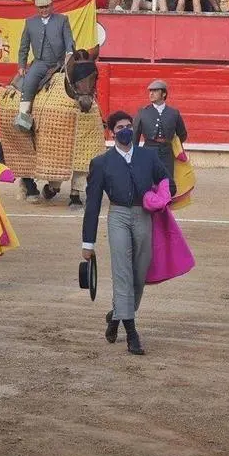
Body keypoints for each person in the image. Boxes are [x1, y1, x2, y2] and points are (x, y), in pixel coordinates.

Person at [82, 111, 169, 356]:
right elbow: (93, 204)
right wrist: (88, 242)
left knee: (139, 275)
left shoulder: (147, 157)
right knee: (122, 273)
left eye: (129, 125)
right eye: (120, 127)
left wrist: (160, 197)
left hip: (144, 215)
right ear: (111, 132)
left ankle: (116, 316)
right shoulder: (101, 163)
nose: (125, 130)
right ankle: (132, 334)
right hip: (118, 216)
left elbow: (165, 180)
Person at [16, 0, 75, 123]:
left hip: (59, 63)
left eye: (46, 7)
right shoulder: (30, 22)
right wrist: (21, 65)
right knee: (29, 82)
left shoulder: (62, 19)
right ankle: (23, 118)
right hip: (40, 63)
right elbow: (24, 46)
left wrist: (70, 53)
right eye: (41, 8)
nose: (44, 10)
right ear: (37, 8)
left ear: (52, 6)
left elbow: (69, 39)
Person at [132, 80, 187, 196]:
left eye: (155, 91)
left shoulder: (174, 113)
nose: (151, 93)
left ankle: (164, 209)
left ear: (164, 94)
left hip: (167, 152)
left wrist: (173, 145)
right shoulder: (142, 112)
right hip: (148, 150)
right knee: (148, 182)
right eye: (150, 91)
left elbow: (182, 134)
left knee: (168, 184)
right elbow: (135, 136)